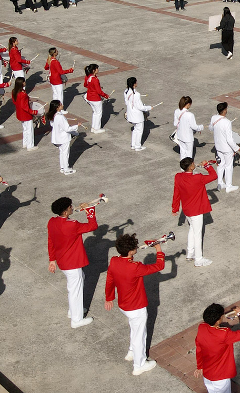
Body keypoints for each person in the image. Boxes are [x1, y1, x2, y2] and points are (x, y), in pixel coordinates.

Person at [104, 233, 165, 376]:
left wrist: (109, 298)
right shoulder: (135, 267)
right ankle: (139, 365)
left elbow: (109, 280)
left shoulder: (114, 261)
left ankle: (131, 352)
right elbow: (159, 266)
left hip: (123, 305)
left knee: (134, 328)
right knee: (140, 336)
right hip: (136, 307)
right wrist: (158, 249)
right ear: (131, 251)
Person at [48, 196, 99, 328]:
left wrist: (52, 259)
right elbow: (92, 226)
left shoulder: (52, 222)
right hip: (72, 263)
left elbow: (50, 241)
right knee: (75, 291)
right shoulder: (72, 225)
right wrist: (89, 210)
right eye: (70, 207)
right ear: (65, 212)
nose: (72, 207)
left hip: (62, 261)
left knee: (77, 283)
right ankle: (76, 320)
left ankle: (74, 311)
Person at [195, 302, 240, 393]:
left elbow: (199, 349)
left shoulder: (201, 327)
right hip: (220, 376)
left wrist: (200, 366)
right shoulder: (224, 334)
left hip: (207, 374)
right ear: (217, 321)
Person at [172, 157, 218, 268]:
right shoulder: (198, 178)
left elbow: (176, 193)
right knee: (197, 234)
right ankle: (198, 259)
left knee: (192, 230)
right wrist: (207, 166)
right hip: (196, 210)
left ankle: (190, 253)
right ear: (191, 166)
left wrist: (175, 208)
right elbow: (214, 176)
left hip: (187, 210)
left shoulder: (178, 177)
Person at [210, 102, 240, 192]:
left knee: (221, 165)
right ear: (224, 110)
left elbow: (211, 128)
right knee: (228, 166)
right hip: (227, 148)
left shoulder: (213, 118)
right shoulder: (227, 122)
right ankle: (228, 186)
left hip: (218, 146)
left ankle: (220, 183)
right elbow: (229, 139)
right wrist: (237, 148)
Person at [46, 100, 79, 174]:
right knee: (65, 153)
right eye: (61, 105)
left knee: (62, 153)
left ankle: (63, 167)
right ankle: (66, 169)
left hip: (57, 138)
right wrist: (76, 126)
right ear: (57, 107)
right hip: (63, 138)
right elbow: (67, 129)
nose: (62, 105)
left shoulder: (54, 115)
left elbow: (52, 124)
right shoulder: (60, 117)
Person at [124, 77, 152, 151]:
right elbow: (140, 107)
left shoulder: (126, 91)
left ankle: (133, 145)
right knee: (139, 131)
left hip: (130, 114)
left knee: (135, 130)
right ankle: (137, 146)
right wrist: (149, 107)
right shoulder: (136, 94)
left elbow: (126, 102)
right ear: (134, 84)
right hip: (137, 116)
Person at [174, 96, 204, 160]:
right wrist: (201, 127)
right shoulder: (190, 115)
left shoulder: (176, 111)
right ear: (188, 104)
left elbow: (175, 124)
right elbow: (194, 127)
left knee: (182, 152)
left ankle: (182, 165)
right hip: (188, 137)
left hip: (180, 135)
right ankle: (188, 165)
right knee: (189, 154)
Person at [12, 77, 38, 150]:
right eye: (24, 82)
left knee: (25, 129)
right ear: (22, 83)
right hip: (26, 114)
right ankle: (30, 146)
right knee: (29, 130)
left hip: (19, 113)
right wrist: (33, 112)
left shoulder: (14, 91)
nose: (25, 83)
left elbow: (15, 101)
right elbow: (24, 107)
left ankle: (25, 143)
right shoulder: (22, 94)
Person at [84, 64, 110, 134]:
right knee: (98, 113)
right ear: (94, 70)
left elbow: (85, 85)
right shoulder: (95, 79)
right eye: (97, 68)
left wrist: (93, 88)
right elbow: (99, 91)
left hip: (89, 97)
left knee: (95, 113)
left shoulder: (88, 77)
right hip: (95, 98)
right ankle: (97, 128)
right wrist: (106, 95)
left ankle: (93, 127)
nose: (98, 70)